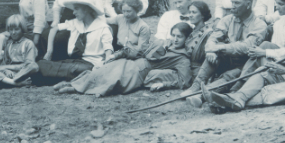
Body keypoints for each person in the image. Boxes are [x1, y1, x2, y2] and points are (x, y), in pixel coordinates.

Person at [59, 22, 192, 96]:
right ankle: (72, 83)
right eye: (173, 35)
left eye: (179, 37)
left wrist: (164, 85)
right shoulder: (165, 45)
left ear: (186, 38)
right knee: (104, 70)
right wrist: (118, 55)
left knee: (112, 79)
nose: (175, 39)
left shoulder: (182, 58)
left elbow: (184, 81)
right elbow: (142, 52)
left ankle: (76, 89)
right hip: (132, 63)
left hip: (138, 73)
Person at [180, 0, 267, 98]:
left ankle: (202, 94)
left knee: (231, 75)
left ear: (248, 4)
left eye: (236, 3)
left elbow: (247, 47)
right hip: (226, 60)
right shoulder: (227, 19)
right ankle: (195, 87)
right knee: (214, 53)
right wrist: (211, 51)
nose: (232, 6)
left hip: (245, 65)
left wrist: (219, 48)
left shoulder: (259, 25)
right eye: (232, 2)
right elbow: (213, 38)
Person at [34, 0, 113, 86]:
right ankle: (68, 79)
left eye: (76, 9)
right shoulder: (75, 23)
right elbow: (54, 28)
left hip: (91, 65)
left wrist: (103, 68)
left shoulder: (103, 28)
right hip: (73, 61)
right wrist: (49, 51)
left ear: (86, 9)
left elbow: (109, 53)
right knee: (41, 64)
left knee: (69, 69)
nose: (74, 12)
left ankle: (49, 77)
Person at [144, 1, 213, 91]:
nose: (190, 15)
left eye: (194, 12)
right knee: (152, 71)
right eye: (190, 12)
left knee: (154, 74)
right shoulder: (192, 30)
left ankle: (165, 84)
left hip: (194, 70)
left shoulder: (207, 33)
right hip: (181, 63)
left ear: (203, 15)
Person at [0, 15, 39, 86]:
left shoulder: (28, 43)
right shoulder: (9, 44)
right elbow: (4, 63)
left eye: (16, 29)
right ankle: (13, 82)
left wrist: (5, 67)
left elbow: (29, 64)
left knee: (34, 66)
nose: (13, 32)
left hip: (22, 73)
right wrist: (6, 70)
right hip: (9, 73)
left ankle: (8, 81)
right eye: (11, 29)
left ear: (22, 29)